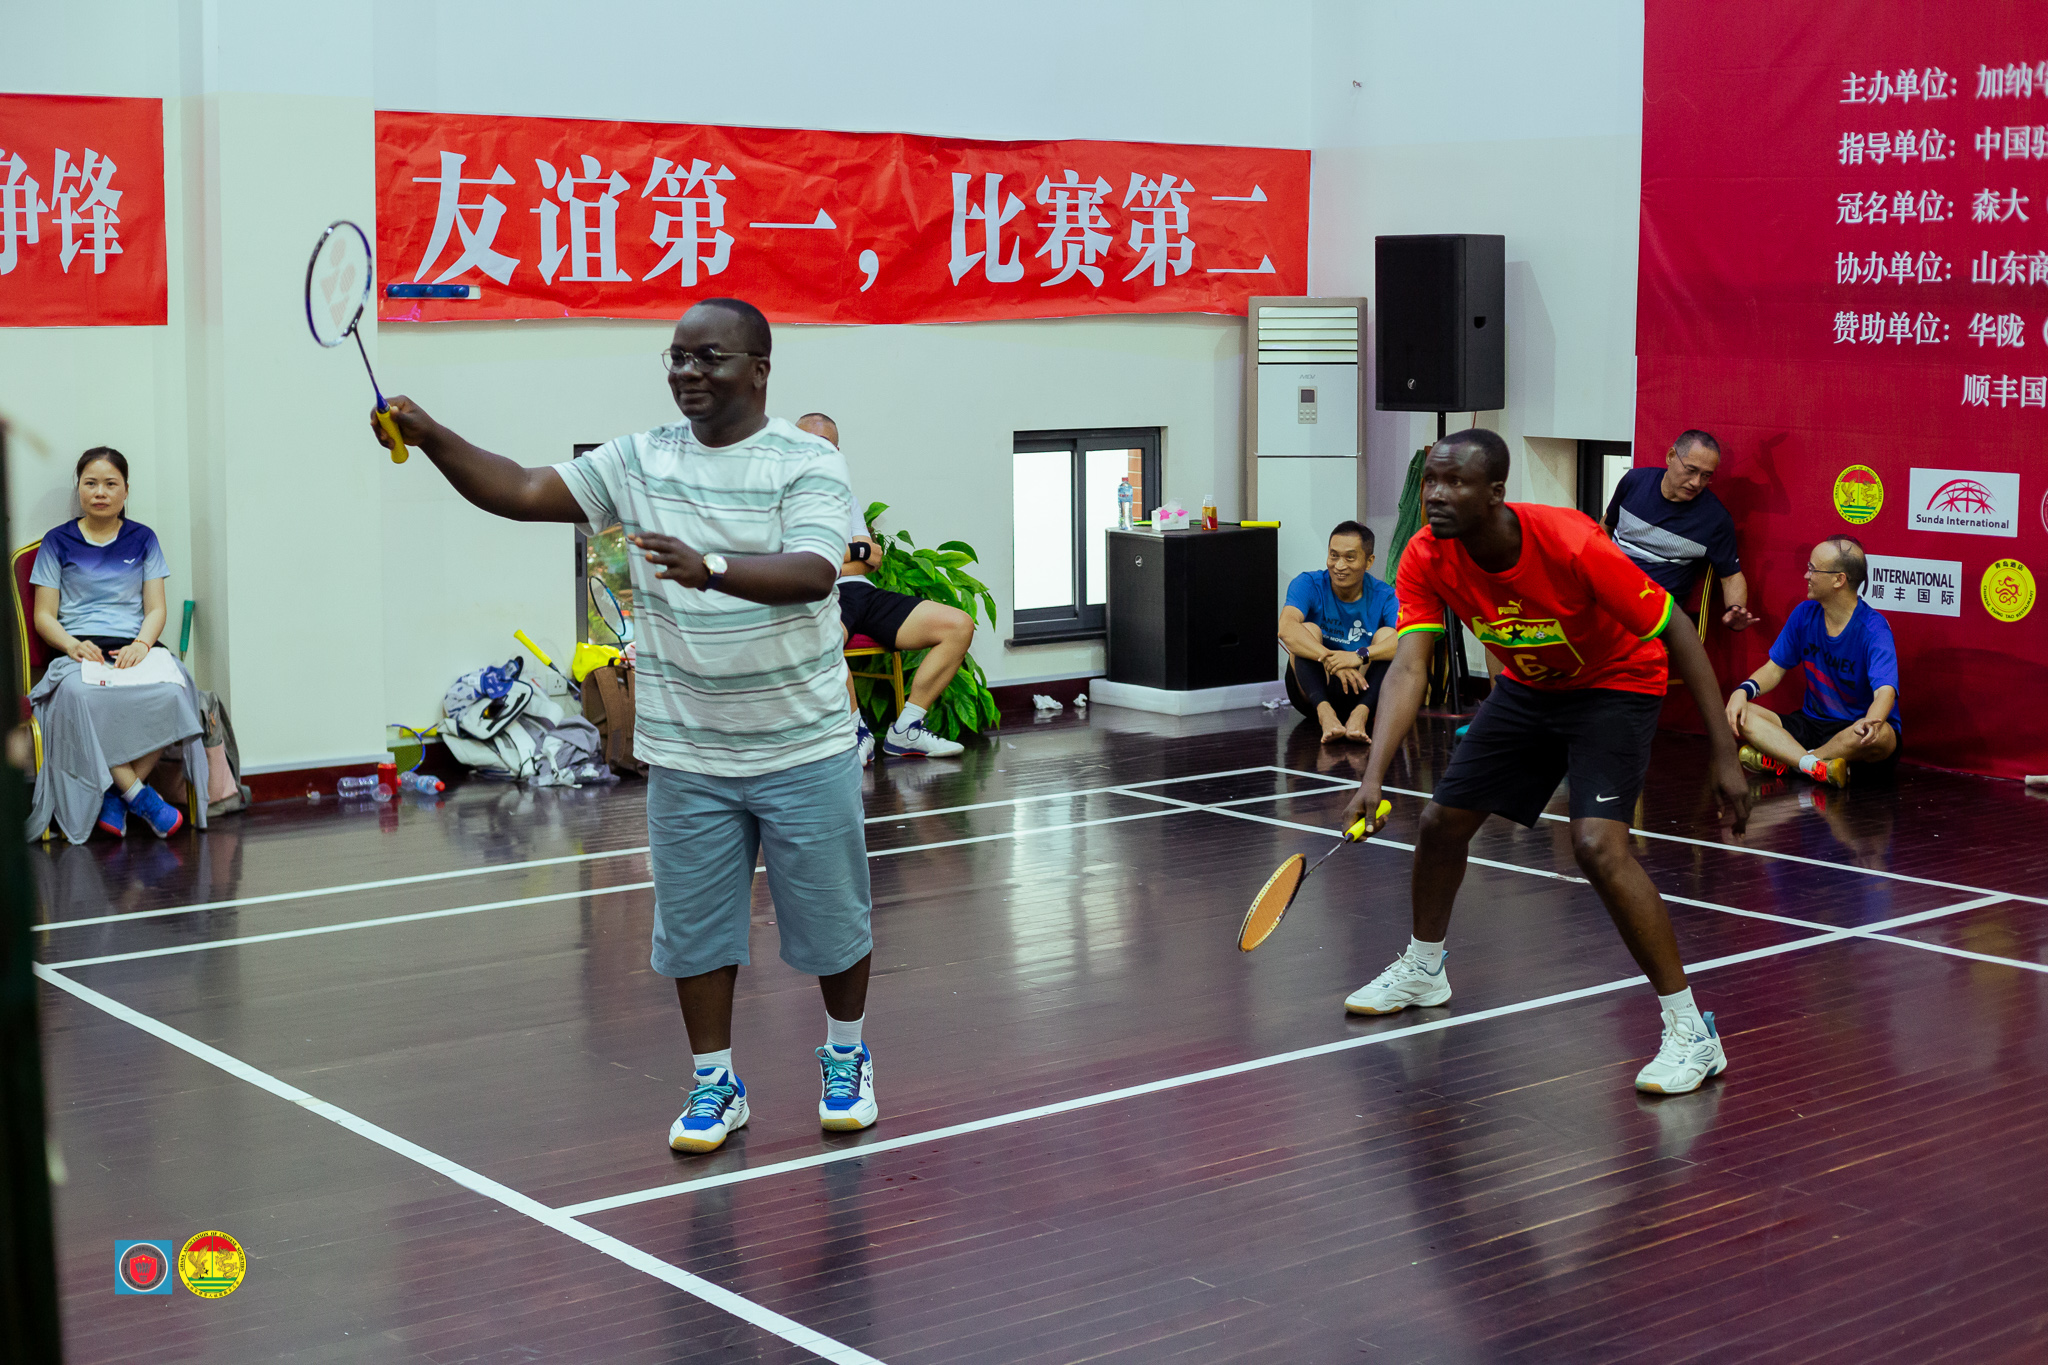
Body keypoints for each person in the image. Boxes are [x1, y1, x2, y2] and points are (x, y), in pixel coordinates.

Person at [377, 298, 879, 1154]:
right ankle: (715, 1082)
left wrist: (710, 567)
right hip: (687, 748)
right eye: (677, 357)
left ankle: (846, 1055)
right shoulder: (638, 458)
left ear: (759, 369)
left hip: (803, 740)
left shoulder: (808, 460)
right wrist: (430, 437)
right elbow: (521, 490)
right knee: (694, 931)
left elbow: (812, 571)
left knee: (833, 922)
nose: (687, 371)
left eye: (709, 357)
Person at [1340, 430, 1750, 1097]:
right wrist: (1373, 776)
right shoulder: (1426, 555)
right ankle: (1423, 968)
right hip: (1531, 686)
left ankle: (1691, 1033)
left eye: (1455, 482)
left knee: (1597, 847)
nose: (1435, 494)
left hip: (1616, 683)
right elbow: (1410, 667)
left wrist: (1723, 754)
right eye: (1431, 480)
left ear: (1495, 493)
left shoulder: (1570, 542)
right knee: (1441, 823)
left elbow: (1676, 626)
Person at [28, 447, 202, 842]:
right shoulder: (57, 541)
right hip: (80, 651)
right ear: (79, 489)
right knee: (81, 699)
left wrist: (142, 644)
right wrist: (72, 645)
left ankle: (116, 795)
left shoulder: (143, 539)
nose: (100, 492)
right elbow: (44, 616)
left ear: (125, 491)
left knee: (173, 692)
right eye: (91, 483)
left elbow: (156, 608)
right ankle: (140, 796)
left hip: (133, 648)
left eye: (110, 484)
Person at [794, 412, 973, 766]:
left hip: (863, 592)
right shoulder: (780, 500)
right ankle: (855, 732)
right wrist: (849, 554)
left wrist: (830, 558)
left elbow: (871, 558)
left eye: (823, 446)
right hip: (823, 595)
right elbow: (800, 566)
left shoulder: (844, 497)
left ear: (836, 452)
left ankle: (906, 729)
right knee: (821, 637)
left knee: (958, 626)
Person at [1725, 535, 1899, 788]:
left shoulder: (1874, 629)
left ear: (1839, 580)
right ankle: (1816, 766)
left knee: (1883, 736)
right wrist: (1742, 691)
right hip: (1810, 725)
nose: (1806, 575)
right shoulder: (1804, 614)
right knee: (1743, 712)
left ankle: (1791, 761)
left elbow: (1885, 691)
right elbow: (1773, 670)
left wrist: (1871, 721)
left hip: (1853, 731)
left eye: (1813, 569)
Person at [1602, 430, 1756, 631]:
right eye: (1691, 470)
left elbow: (1731, 576)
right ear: (1671, 456)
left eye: (1706, 476)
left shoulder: (1715, 518)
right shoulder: (1634, 481)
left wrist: (1735, 610)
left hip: (1655, 612)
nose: (1696, 482)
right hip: (1609, 593)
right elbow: (1605, 528)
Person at [1278, 520, 1398, 744]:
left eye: (1350, 558)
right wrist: (1330, 659)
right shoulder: (1308, 583)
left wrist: (1358, 656)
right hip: (1313, 691)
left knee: (1387, 636)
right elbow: (1286, 628)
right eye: (1334, 556)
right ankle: (1326, 714)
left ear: (1369, 561)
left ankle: (1360, 715)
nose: (1339, 566)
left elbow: (1406, 642)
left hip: (1362, 688)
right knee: (1307, 630)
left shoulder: (1385, 595)